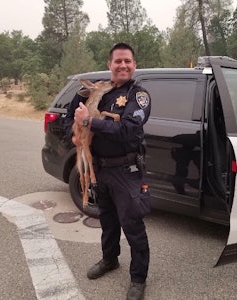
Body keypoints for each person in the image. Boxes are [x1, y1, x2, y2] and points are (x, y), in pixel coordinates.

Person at [65, 42, 151, 300]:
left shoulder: (138, 96)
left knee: (132, 225)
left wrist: (89, 121)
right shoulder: (96, 91)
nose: (122, 65)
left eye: (127, 61)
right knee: (108, 221)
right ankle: (109, 259)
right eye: (118, 61)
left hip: (126, 170)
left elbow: (128, 130)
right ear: (110, 65)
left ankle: (138, 278)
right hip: (100, 169)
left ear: (134, 65)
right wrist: (75, 133)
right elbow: (70, 115)